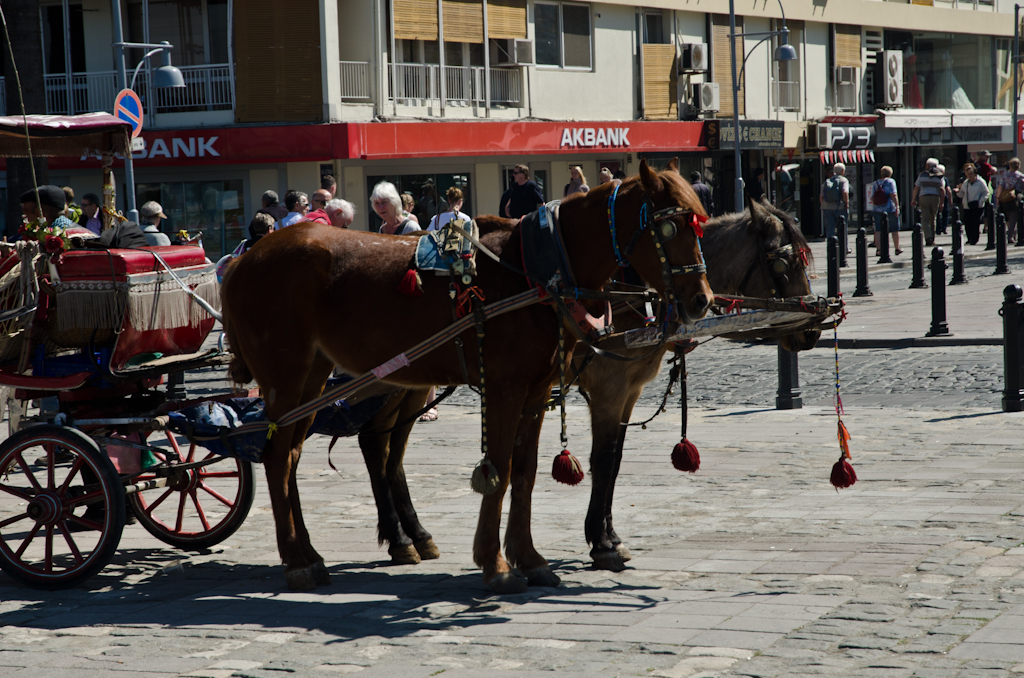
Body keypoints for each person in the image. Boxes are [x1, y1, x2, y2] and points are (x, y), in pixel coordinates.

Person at [912, 158, 944, 246]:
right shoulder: (939, 176)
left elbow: (916, 187)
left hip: (923, 197)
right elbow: (942, 190)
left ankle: (928, 237)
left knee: (924, 219)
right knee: (933, 219)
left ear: (927, 166)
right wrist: (942, 202)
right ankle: (932, 239)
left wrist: (913, 199)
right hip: (935, 197)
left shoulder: (922, 175)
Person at [955, 163, 989, 246]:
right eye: (968, 174)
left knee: (975, 223)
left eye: (971, 174)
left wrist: (981, 201)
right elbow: (962, 193)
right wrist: (957, 192)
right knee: (967, 223)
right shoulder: (966, 183)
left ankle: (974, 239)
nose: (970, 176)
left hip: (977, 206)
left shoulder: (980, 182)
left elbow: (986, 192)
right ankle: (969, 238)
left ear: (975, 174)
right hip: (967, 206)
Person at [871, 166, 902, 255]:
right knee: (894, 229)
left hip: (877, 209)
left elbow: (872, 198)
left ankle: (879, 250)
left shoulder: (875, 183)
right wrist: (897, 206)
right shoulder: (890, 181)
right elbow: (893, 194)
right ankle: (896, 248)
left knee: (878, 229)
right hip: (890, 209)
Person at [995, 157, 1024, 246]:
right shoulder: (1020, 176)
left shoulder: (1005, 175)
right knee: (1014, 218)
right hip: (1016, 198)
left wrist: (998, 198)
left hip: (1005, 198)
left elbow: (1000, 187)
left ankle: (1012, 235)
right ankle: (1011, 236)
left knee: (1009, 218)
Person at [819, 162, 850, 244]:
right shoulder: (843, 180)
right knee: (842, 228)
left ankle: (831, 247)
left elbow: (821, 196)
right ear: (842, 170)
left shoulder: (827, 181)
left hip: (827, 208)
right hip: (840, 207)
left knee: (830, 229)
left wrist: (824, 205)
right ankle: (844, 247)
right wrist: (846, 204)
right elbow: (844, 192)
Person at [934, 164, 952, 236]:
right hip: (943, 197)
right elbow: (948, 189)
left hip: (936, 197)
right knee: (945, 213)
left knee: (937, 213)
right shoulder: (944, 179)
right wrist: (950, 199)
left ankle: (938, 229)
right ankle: (944, 228)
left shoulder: (933, 178)